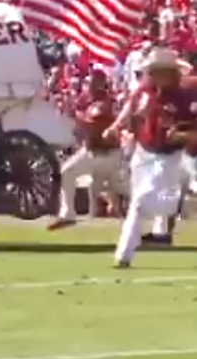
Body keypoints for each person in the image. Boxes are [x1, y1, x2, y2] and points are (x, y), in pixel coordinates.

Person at [101, 47, 197, 267]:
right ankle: (125, 254)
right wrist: (116, 126)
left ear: (171, 72)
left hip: (170, 157)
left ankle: (123, 254)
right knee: (139, 201)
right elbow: (130, 106)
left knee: (142, 202)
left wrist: (183, 135)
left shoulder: (188, 95)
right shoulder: (147, 89)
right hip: (143, 153)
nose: (150, 75)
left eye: (156, 71)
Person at [49, 70, 121, 229]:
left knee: (125, 191)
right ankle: (67, 214)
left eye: (92, 82)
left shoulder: (104, 103)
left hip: (106, 154)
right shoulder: (90, 102)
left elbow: (94, 127)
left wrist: (74, 115)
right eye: (88, 82)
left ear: (101, 84)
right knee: (68, 171)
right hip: (93, 152)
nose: (87, 85)